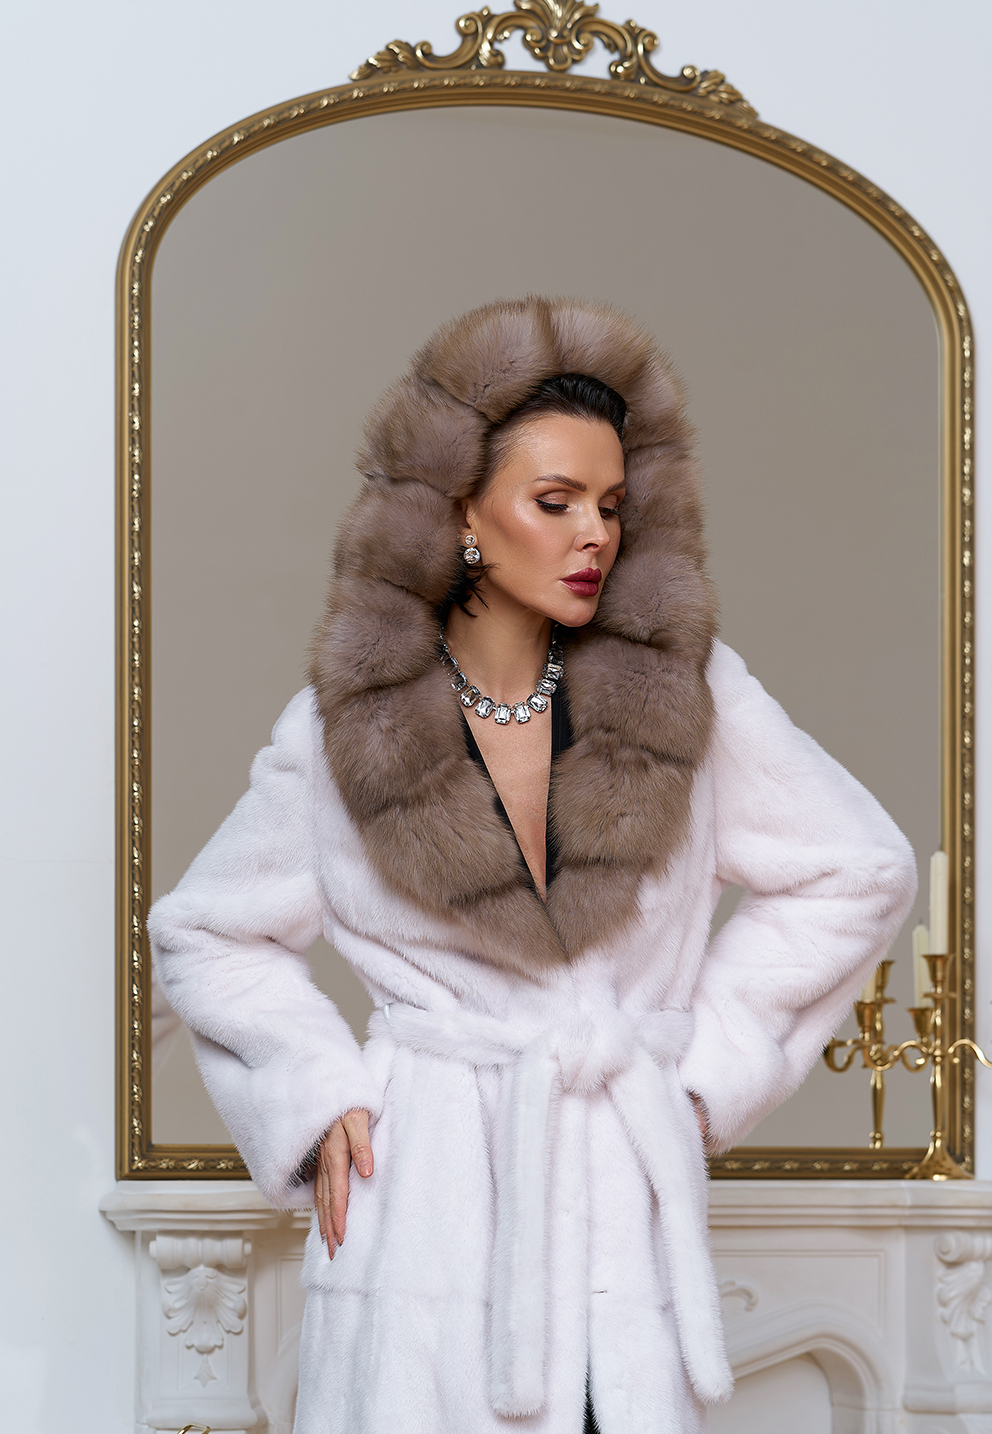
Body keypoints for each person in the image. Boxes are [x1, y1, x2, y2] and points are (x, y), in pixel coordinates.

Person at [148, 296, 917, 1434]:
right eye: (554, 502)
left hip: (617, 1193)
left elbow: (857, 867)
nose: (593, 534)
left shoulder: (685, 695)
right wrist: (312, 1096)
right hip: (426, 1206)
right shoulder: (343, 729)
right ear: (461, 513)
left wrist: (702, 1071)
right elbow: (208, 931)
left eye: (610, 505)